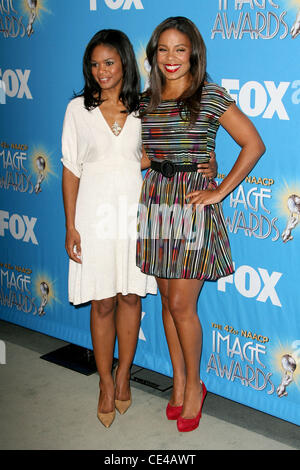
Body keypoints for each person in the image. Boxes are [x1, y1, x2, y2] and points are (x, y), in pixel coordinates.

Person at [61, 28, 219, 429]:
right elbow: (69, 169)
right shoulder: (77, 109)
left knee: (132, 298)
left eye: (109, 62)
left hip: (138, 215)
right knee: (102, 302)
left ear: (125, 64)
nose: (102, 71)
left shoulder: (144, 108)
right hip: (93, 218)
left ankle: (124, 375)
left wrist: (210, 165)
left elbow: (165, 151)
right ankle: (103, 383)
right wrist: (70, 225)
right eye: (95, 64)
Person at [136, 17, 265, 433]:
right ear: (153, 54)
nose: (171, 58)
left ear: (193, 52)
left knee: (180, 305)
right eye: (163, 50)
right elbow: (140, 154)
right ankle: (178, 382)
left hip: (191, 203)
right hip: (157, 201)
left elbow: (254, 142)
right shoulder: (146, 99)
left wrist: (219, 189)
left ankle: (195, 386)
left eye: (180, 49)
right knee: (166, 305)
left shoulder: (209, 94)